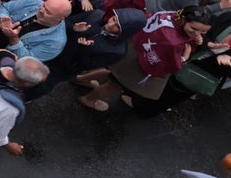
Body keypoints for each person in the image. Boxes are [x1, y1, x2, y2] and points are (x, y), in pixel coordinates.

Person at [77, 6, 212, 113]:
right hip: (139, 67)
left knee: (112, 75)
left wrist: (195, 37)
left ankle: (81, 79)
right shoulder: (173, 42)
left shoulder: (171, 15)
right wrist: (184, 58)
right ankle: (88, 99)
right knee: (115, 86)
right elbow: (172, 63)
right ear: (183, 19)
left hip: (133, 51)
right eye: (194, 29)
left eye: (202, 32)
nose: (196, 34)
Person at [24, 7, 147, 102]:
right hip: (50, 51)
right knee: (25, 68)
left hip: (63, 68)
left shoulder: (117, 51)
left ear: (125, 32)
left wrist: (83, 49)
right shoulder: (96, 15)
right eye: (113, 19)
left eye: (117, 27)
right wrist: (74, 29)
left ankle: (24, 97)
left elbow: (86, 65)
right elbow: (63, 23)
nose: (110, 24)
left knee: (41, 86)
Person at [0, 0, 72, 62]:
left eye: (48, 12)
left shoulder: (55, 43)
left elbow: (27, 60)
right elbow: (5, 7)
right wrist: (2, 19)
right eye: (44, 6)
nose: (41, 10)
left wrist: (14, 40)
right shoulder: (35, 3)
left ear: (61, 18)